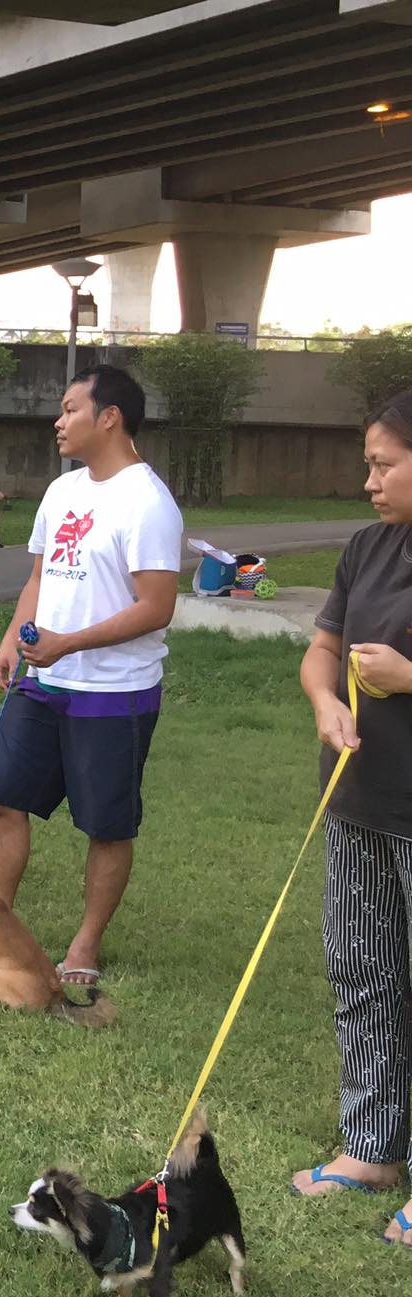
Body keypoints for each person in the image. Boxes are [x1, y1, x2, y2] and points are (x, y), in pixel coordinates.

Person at [0, 364, 181, 987]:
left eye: (70, 409)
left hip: (114, 691)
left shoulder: (148, 502)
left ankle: (85, 944)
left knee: (105, 823)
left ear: (109, 417)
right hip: (43, 679)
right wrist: (17, 635)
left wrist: (71, 644)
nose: (58, 421)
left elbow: (156, 607)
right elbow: (41, 578)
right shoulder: (62, 491)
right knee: (3, 798)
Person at [290, 390, 412, 1246]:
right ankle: (372, 1145)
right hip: (357, 800)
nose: (367, 480)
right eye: (367, 463)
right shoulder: (367, 547)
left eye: (383, 463)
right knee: (361, 967)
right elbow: (321, 647)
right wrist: (325, 700)